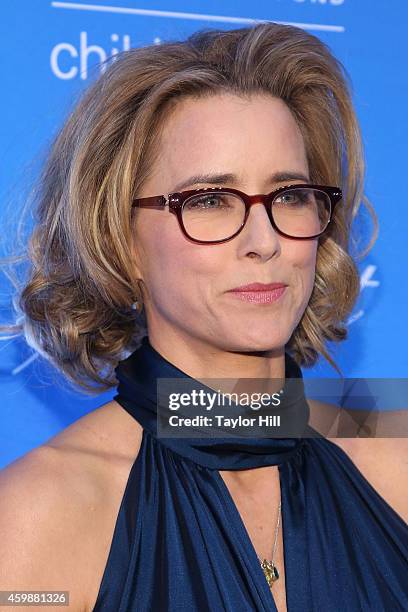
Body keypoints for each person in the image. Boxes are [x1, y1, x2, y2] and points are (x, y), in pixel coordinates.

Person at [0, 22, 407, 612]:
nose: (264, 241)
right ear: (121, 241)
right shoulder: (41, 514)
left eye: (290, 194)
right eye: (211, 201)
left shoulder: (393, 457)